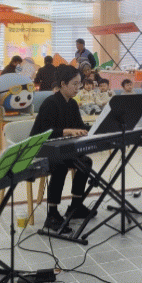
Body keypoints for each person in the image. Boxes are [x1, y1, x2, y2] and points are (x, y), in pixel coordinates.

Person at [31, 65, 95, 232]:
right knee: (60, 166)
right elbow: (45, 133)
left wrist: (94, 128)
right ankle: (52, 214)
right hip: (42, 148)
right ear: (63, 84)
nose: (78, 88)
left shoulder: (72, 104)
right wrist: (67, 131)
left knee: (85, 162)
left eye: (79, 84)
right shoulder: (50, 103)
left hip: (62, 148)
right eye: (74, 84)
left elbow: (79, 126)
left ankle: (76, 206)